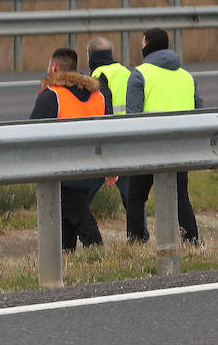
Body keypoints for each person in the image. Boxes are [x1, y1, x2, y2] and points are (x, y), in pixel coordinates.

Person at [124, 28, 201, 244]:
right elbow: (200, 112)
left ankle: (136, 243)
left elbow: (132, 116)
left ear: (147, 46)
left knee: (136, 198)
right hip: (180, 148)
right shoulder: (187, 76)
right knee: (181, 196)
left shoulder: (140, 74)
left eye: (142, 44)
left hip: (148, 148)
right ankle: (192, 242)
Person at [29, 47, 107, 251]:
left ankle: (99, 254)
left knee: (80, 217)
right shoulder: (97, 95)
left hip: (63, 169)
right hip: (93, 168)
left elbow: (30, 133)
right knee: (65, 217)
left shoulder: (52, 95)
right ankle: (66, 255)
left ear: (54, 67)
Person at [87, 36, 131, 203]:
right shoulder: (126, 72)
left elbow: (105, 113)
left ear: (89, 57)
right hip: (130, 140)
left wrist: (109, 156)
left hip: (109, 144)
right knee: (132, 201)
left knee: (82, 198)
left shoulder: (97, 77)